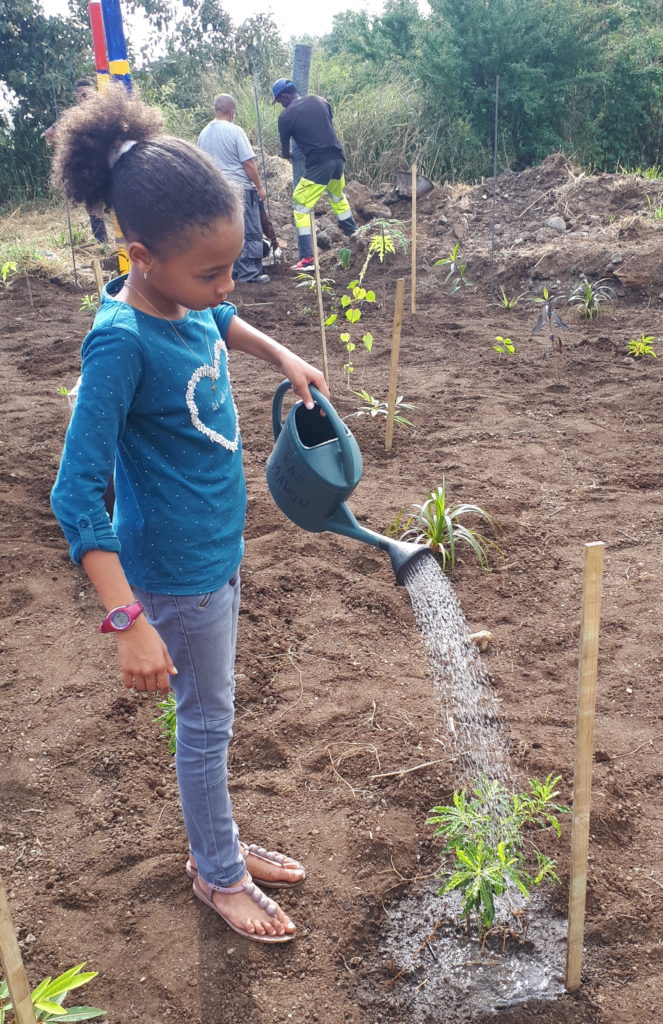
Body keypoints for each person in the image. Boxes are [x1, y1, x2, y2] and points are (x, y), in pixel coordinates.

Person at [50, 83, 329, 942]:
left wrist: (281, 351)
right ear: (139, 256)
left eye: (231, 265)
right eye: (209, 271)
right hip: (171, 574)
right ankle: (218, 873)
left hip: (217, 552)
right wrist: (128, 618)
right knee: (206, 724)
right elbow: (74, 495)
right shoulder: (121, 344)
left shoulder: (186, 300)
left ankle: (223, 843)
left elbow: (221, 319)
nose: (224, 285)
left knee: (216, 712)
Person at [272, 78, 359, 272]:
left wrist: (290, 156)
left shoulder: (285, 117)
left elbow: (285, 151)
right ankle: (356, 236)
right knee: (337, 197)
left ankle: (307, 258)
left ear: (284, 96)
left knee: (301, 205)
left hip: (319, 164)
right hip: (338, 159)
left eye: (279, 101)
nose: (281, 105)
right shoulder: (320, 101)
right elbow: (325, 124)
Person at [198, 94, 270, 284]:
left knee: (226, 231)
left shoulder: (203, 134)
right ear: (232, 112)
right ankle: (249, 274)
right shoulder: (235, 131)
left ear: (216, 109)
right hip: (240, 189)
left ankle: (232, 273)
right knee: (250, 231)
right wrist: (260, 186)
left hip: (215, 190)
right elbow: (248, 163)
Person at [44, 78, 109, 245]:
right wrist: (67, 148)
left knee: (118, 203)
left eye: (87, 94)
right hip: (88, 167)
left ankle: (124, 245)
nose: (84, 98)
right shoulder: (73, 116)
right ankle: (104, 246)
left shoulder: (107, 110)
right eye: (81, 95)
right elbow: (50, 134)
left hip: (109, 164)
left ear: (94, 93)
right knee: (94, 207)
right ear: (76, 97)